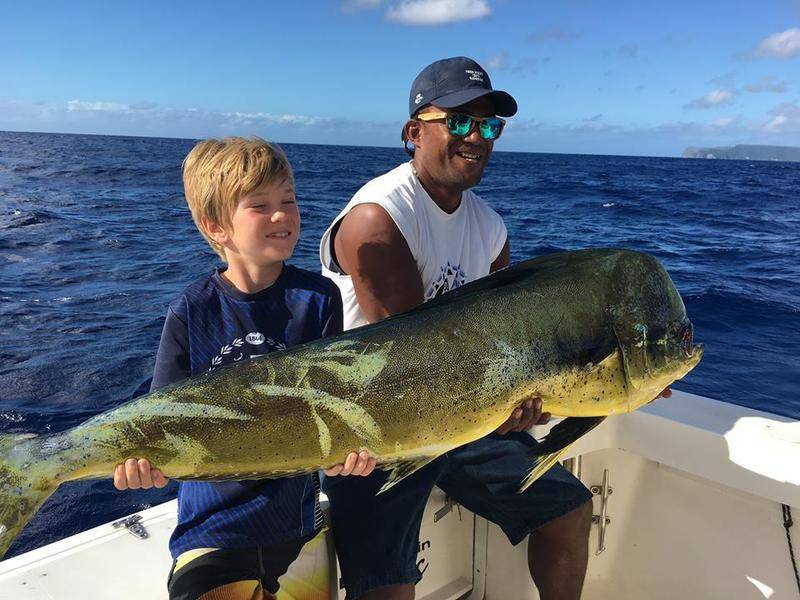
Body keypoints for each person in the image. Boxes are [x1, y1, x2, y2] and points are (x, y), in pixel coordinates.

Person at [319, 56, 669, 600]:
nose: (476, 137)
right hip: (379, 430)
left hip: (464, 421)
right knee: (388, 587)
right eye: (459, 121)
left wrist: (589, 387)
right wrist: (527, 391)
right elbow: (416, 365)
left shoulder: (489, 227)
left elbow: (511, 342)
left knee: (569, 510)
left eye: (488, 126)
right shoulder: (378, 217)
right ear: (414, 132)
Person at [112, 136, 376, 600]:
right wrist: (142, 465)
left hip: (298, 527)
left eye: (288, 201)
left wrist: (349, 453)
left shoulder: (319, 298)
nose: (281, 215)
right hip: (214, 531)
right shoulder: (191, 310)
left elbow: (335, 406)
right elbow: (160, 421)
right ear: (216, 227)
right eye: (260, 205)